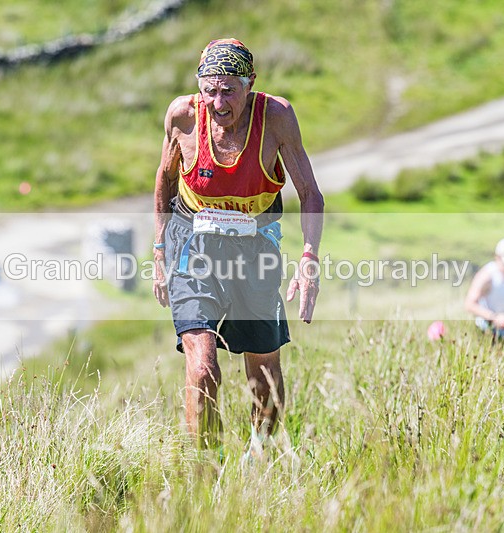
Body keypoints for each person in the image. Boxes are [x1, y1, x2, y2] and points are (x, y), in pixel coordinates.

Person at [152, 38, 324, 452]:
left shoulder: (277, 116)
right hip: (193, 243)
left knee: (263, 368)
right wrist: (159, 250)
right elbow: (165, 179)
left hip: (254, 246)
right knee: (203, 366)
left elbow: (310, 193)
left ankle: (259, 454)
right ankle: (206, 469)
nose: (218, 101)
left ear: (251, 84)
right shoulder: (182, 116)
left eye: (229, 89)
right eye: (209, 89)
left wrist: (308, 258)